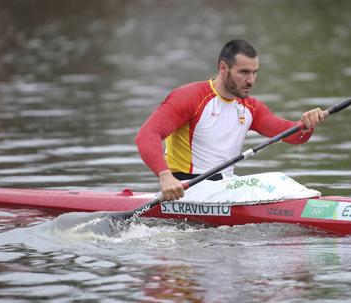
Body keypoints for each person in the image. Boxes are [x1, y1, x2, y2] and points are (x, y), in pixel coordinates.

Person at [136, 39, 326, 201]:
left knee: (277, 179)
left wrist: (306, 124)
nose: (251, 80)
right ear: (223, 68)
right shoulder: (190, 97)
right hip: (187, 189)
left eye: (254, 72)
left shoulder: (251, 107)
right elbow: (147, 135)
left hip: (224, 189)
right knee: (270, 180)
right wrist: (165, 176)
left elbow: (293, 136)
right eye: (243, 72)